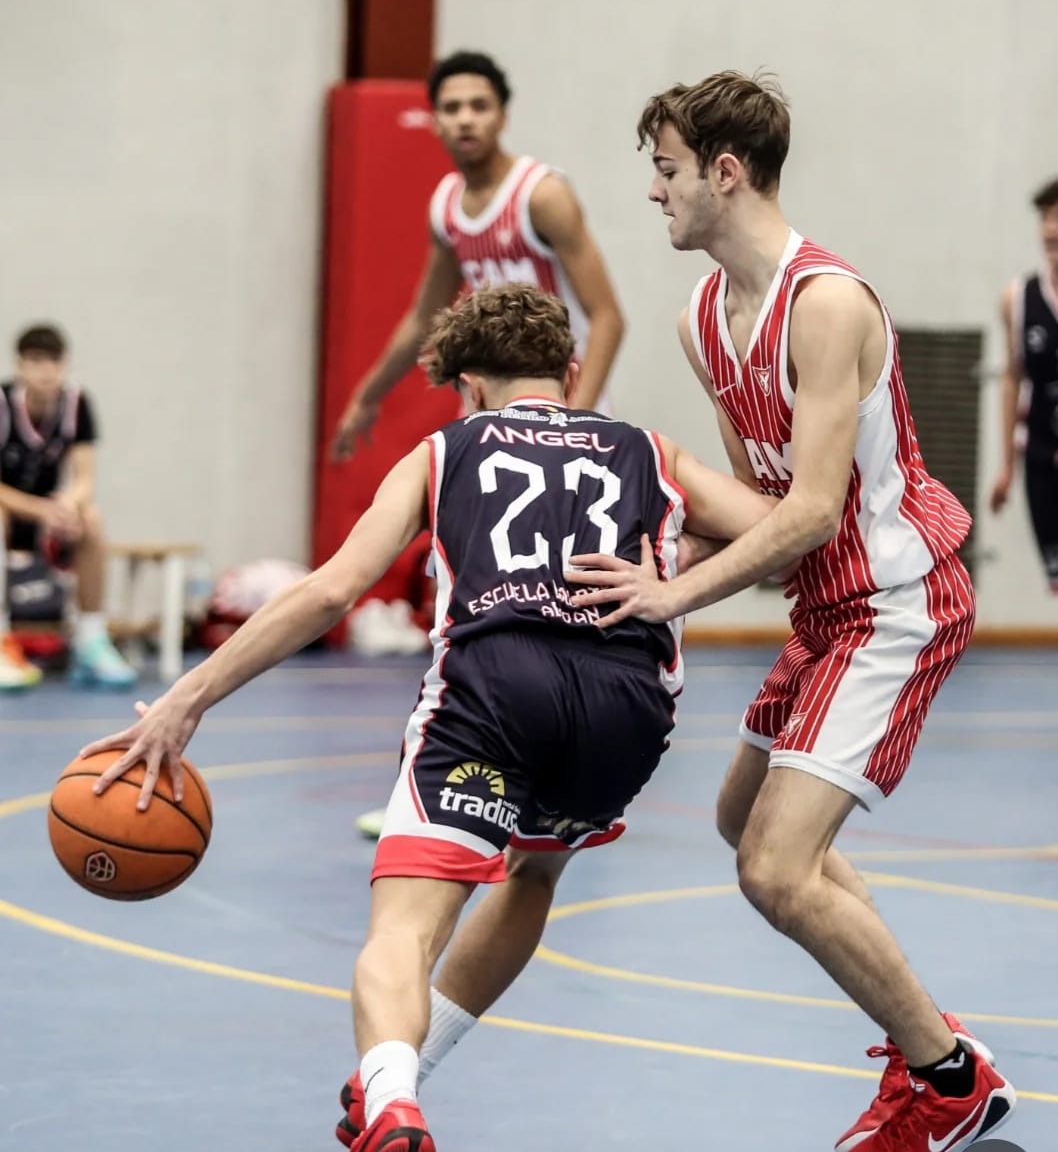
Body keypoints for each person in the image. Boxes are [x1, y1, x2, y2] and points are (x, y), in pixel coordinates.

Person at [82, 284, 780, 1152]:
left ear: (469, 387)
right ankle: (399, 1076)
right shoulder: (648, 448)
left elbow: (332, 591)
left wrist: (186, 699)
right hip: (625, 706)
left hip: (495, 691)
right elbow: (779, 531)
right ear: (570, 374)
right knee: (534, 874)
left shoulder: (444, 451)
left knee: (405, 928)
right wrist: (675, 567)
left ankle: (392, 1100)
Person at [565, 72, 1016, 1152]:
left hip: (896, 602)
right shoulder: (702, 320)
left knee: (774, 866)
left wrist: (671, 595)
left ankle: (947, 1078)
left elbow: (812, 510)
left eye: (667, 169)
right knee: (744, 824)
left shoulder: (826, 304)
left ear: (725, 172)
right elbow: (763, 508)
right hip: (825, 607)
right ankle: (930, 1041)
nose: (654, 191)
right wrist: (658, 552)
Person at [334, 49, 626, 839]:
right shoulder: (447, 206)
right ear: (433, 118)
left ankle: (567, 781)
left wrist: (574, 424)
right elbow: (423, 317)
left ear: (502, 112)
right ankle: (434, 783)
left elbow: (607, 315)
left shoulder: (544, 195)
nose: (465, 119)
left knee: (572, 609)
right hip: (495, 432)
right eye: (451, 107)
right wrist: (368, 394)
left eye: (478, 105)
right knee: (468, 606)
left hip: (566, 429)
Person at [0, 324, 136, 690]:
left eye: (54, 362)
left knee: (91, 518)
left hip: (47, 517)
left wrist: (68, 505)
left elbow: (84, 477)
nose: (46, 371)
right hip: (11, 511)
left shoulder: (77, 403)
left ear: (65, 365)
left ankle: (91, 641)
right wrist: (39, 508)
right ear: (20, 366)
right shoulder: (2, 403)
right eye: (36, 361)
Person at [990, 176, 1058, 592]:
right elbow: (1012, 379)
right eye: (1046, 218)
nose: (1050, 228)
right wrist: (1006, 468)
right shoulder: (1018, 299)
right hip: (1041, 457)